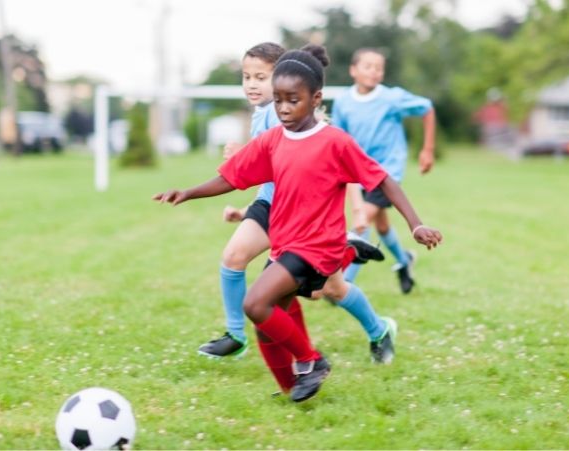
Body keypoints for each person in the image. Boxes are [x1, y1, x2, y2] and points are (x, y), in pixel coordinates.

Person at [154, 44, 442, 402]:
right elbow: (233, 177)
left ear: (315, 98)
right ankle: (294, 392)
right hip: (286, 243)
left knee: (255, 304)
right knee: (267, 324)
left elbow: (382, 180)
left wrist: (415, 224)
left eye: (294, 100)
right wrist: (188, 192)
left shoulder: (334, 142)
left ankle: (312, 360)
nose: (284, 108)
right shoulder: (274, 139)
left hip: (315, 247)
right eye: (279, 100)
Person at [199, 42, 384, 362]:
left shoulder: (292, 116)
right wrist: (243, 206)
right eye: (246, 77)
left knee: (330, 291)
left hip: (300, 216)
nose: (251, 84)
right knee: (234, 257)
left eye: (261, 77)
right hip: (268, 206)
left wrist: (356, 210)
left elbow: (342, 168)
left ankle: (378, 330)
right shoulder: (261, 115)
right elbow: (267, 172)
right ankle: (238, 335)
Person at [332, 48, 436, 294]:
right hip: (357, 172)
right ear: (353, 70)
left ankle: (346, 283)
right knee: (381, 226)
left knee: (362, 219)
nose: (374, 71)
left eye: (379, 67)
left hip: (386, 172)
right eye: (368, 66)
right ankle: (404, 260)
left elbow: (427, 108)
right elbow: (338, 138)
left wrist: (428, 149)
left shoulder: (392, 98)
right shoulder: (343, 102)